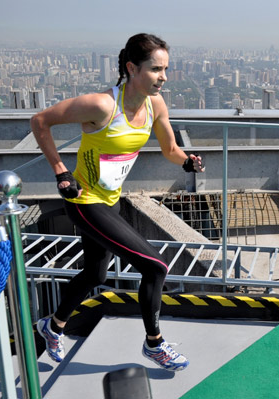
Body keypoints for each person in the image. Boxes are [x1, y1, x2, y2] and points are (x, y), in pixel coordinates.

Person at [30, 33, 204, 372]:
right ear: (131, 68)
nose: (163, 77)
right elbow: (40, 122)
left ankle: (53, 326)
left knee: (95, 273)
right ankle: (154, 344)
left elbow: (169, 149)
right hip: (83, 201)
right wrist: (60, 172)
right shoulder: (101, 105)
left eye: (165, 69)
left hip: (110, 201)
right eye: (155, 69)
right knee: (156, 266)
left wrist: (186, 160)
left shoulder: (157, 104)